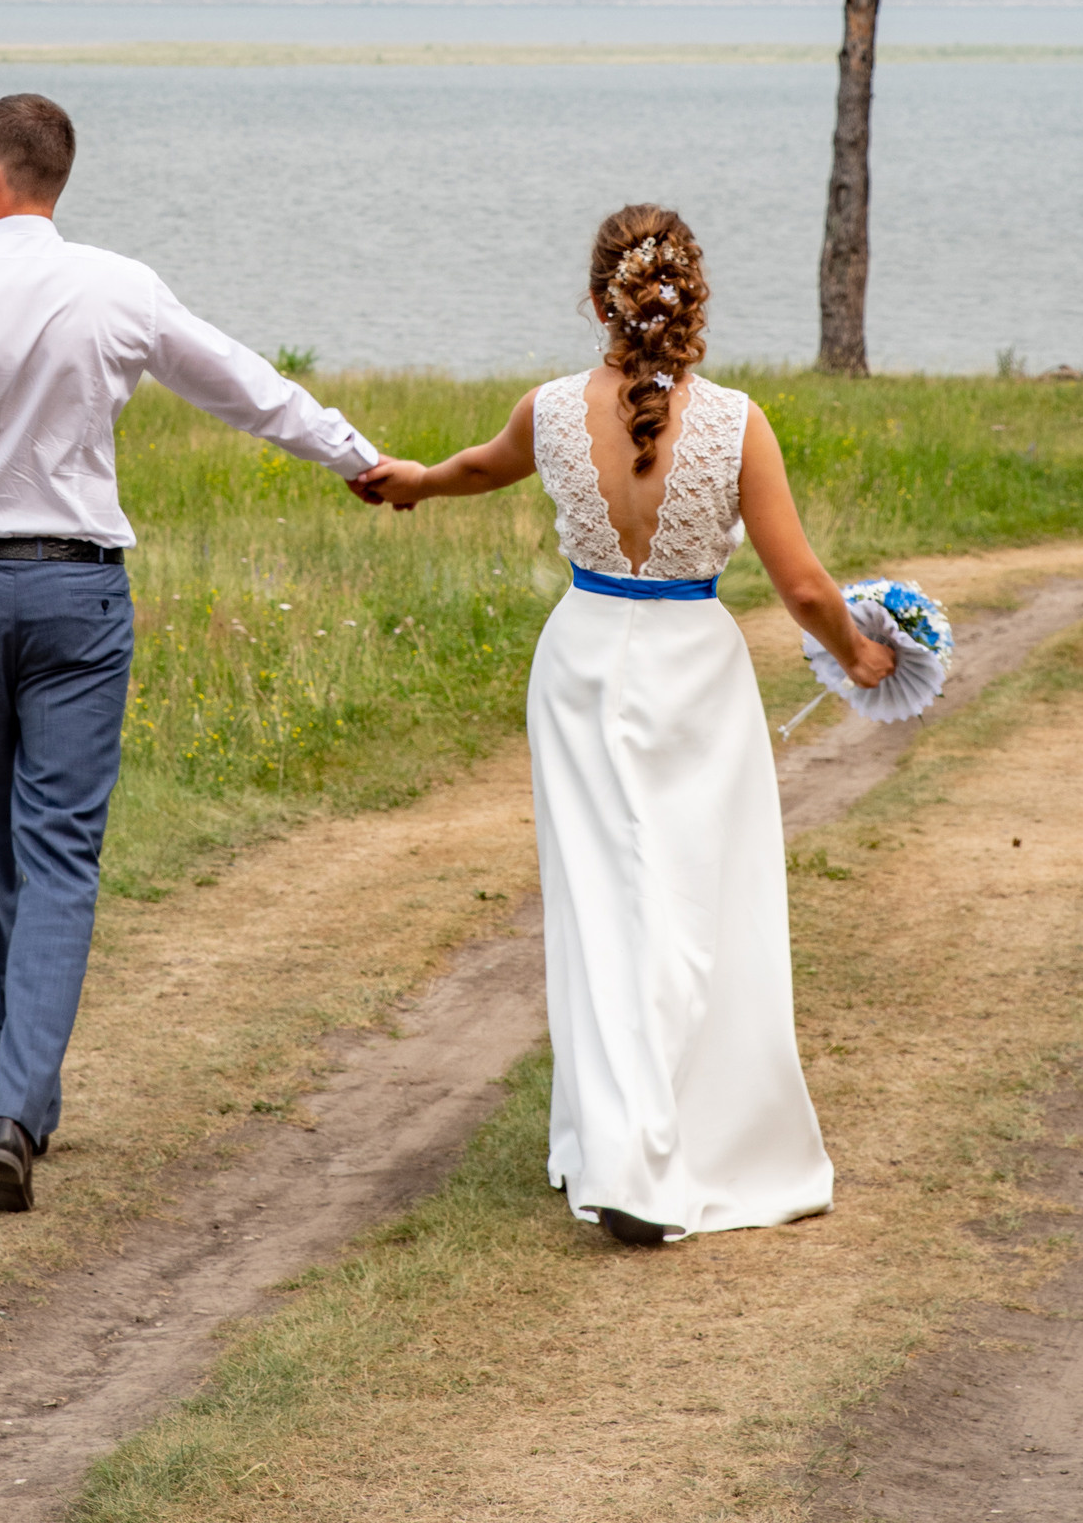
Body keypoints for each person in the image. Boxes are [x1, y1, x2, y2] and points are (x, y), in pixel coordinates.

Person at [0, 92, 379, 1214]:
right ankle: (19, 1103)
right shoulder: (121, 288)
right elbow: (244, 385)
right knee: (59, 853)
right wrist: (351, 453)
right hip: (77, 593)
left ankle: (14, 1089)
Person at [353, 202, 896, 1247]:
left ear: (596, 299)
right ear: (688, 299)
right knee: (701, 902)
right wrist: (859, 647)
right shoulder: (738, 422)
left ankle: (624, 1151)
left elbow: (472, 466)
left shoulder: (552, 410)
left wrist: (409, 481)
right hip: (695, 672)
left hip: (583, 664)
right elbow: (799, 583)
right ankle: (683, 1140)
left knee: (604, 904)